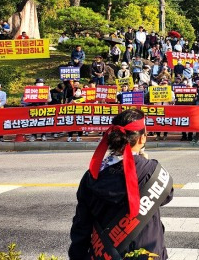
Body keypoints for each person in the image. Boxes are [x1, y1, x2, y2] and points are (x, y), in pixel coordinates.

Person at [69, 109, 174, 258]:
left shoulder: (92, 175)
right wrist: (145, 161)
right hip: (148, 252)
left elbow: (82, 224)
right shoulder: (151, 170)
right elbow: (167, 196)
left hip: (106, 253)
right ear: (141, 138)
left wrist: (77, 255)